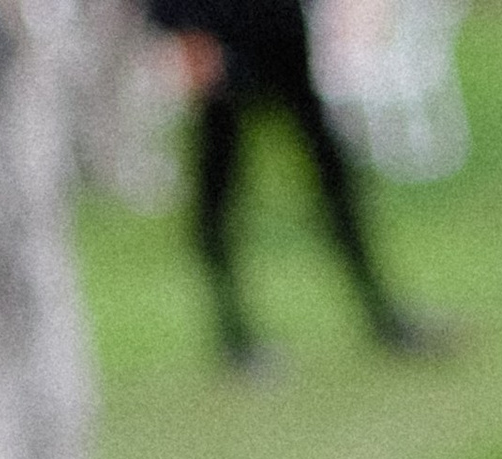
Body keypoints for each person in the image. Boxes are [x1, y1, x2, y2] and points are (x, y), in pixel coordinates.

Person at [146, 0, 445, 370]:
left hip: (282, 34)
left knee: (335, 177)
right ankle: (234, 335)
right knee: (220, 190)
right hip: (218, 40)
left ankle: (384, 314)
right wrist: (185, 34)